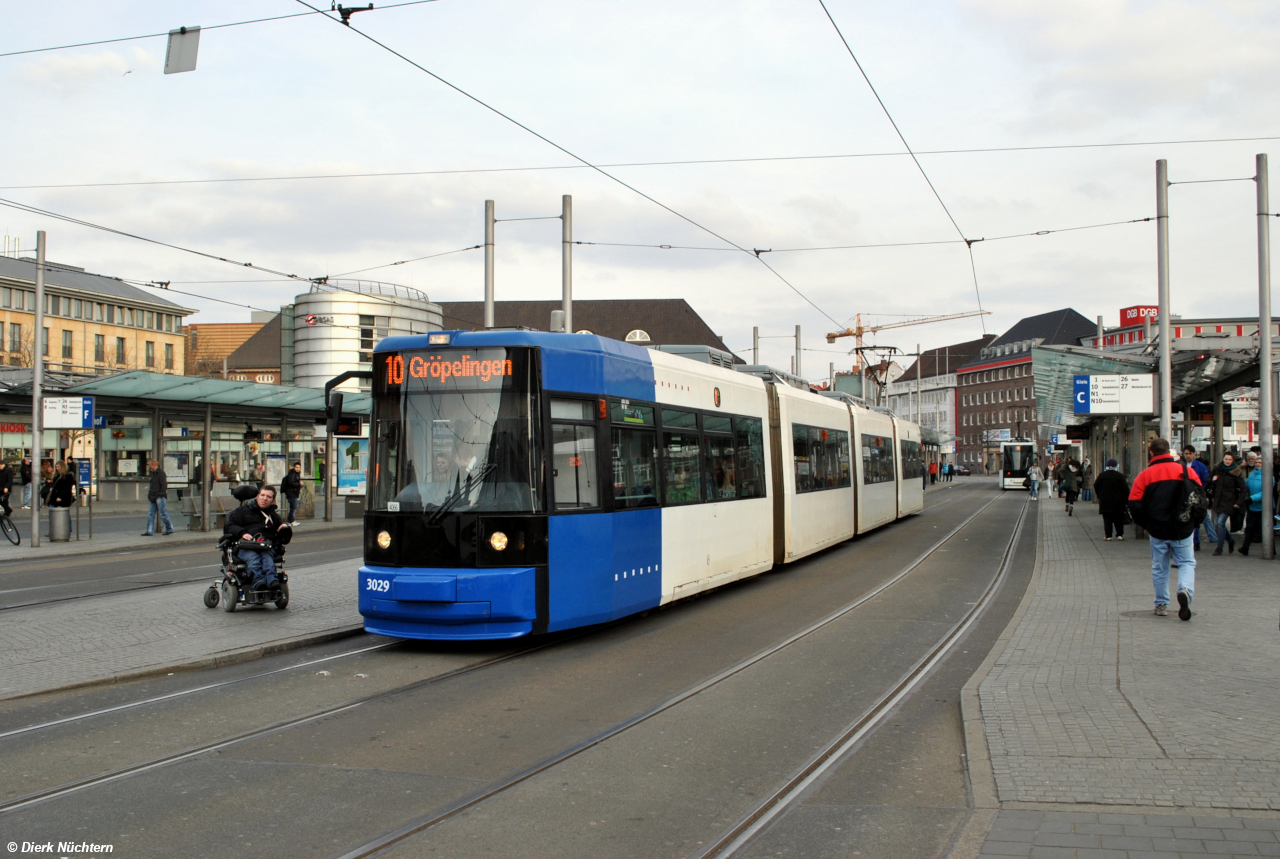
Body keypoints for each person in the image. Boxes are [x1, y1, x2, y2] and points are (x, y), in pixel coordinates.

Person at [1128, 437, 1200, 621]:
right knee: (1186, 563)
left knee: (1160, 567)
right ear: (1169, 451)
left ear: (1151, 453)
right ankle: (1185, 590)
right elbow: (1200, 500)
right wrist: (1194, 523)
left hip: (1158, 529)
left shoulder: (1145, 475)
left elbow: (1134, 504)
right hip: (1182, 528)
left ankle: (1161, 604)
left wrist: (1147, 525)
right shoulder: (1187, 471)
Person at [223, 484, 292, 592]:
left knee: (268, 560)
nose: (264, 499)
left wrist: (285, 530)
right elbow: (230, 526)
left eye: (268, 497)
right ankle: (259, 581)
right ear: (257, 496)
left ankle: (273, 582)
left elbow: (284, 539)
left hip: (265, 546)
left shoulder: (273, 516)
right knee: (254, 560)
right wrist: (242, 533)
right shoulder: (241, 512)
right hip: (247, 546)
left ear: (273, 501)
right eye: (262, 495)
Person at [1207, 451, 1246, 555]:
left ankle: (1219, 547)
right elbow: (1208, 480)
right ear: (1223, 459)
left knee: (1220, 523)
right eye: (1226, 459)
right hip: (1217, 500)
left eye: (1229, 459)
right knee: (1218, 524)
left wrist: (1239, 502)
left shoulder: (1236, 472)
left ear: (1233, 461)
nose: (1227, 461)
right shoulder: (1217, 468)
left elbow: (1243, 488)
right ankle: (1230, 540)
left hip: (1229, 502)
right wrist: (1212, 479)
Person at [1238, 451, 1273, 557]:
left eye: (1260, 462)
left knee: (1267, 529)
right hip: (1252, 506)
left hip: (1264, 507)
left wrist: (1252, 498)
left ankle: (1272, 549)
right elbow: (1246, 486)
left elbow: (1266, 492)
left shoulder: (1269, 476)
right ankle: (1245, 548)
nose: (1258, 464)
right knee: (1250, 528)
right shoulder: (1253, 475)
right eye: (1257, 462)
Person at [1181, 446, 1215, 551]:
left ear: (1194, 454)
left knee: (1195, 519)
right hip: (1185, 495)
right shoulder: (1182, 465)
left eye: (1189, 453)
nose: (1188, 456)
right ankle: (1190, 541)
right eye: (1186, 454)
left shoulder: (1200, 466)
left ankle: (1196, 542)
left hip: (1196, 495)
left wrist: (1202, 495)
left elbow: (1205, 481)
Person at [1094, 458, 1129, 540]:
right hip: (1118, 502)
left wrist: (1100, 496)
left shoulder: (1102, 476)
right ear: (1116, 466)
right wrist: (1126, 500)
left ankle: (1108, 535)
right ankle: (1120, 535)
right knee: (1119, 518)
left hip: (1105, 501)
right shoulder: (1120, 476)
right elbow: (1125, 489)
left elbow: (1096, 486)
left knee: (1107, 519)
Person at [142, 459, 175, 536]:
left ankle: (170, 528)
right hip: (154, 495)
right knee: (151, 513)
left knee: (162, 513)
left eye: (150, 465)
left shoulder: (160, 473)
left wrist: (160, 494)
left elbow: (164, 485)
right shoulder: (154, 473)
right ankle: (149, 530)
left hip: (159, 496)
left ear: (153, 465)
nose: (149, 466)